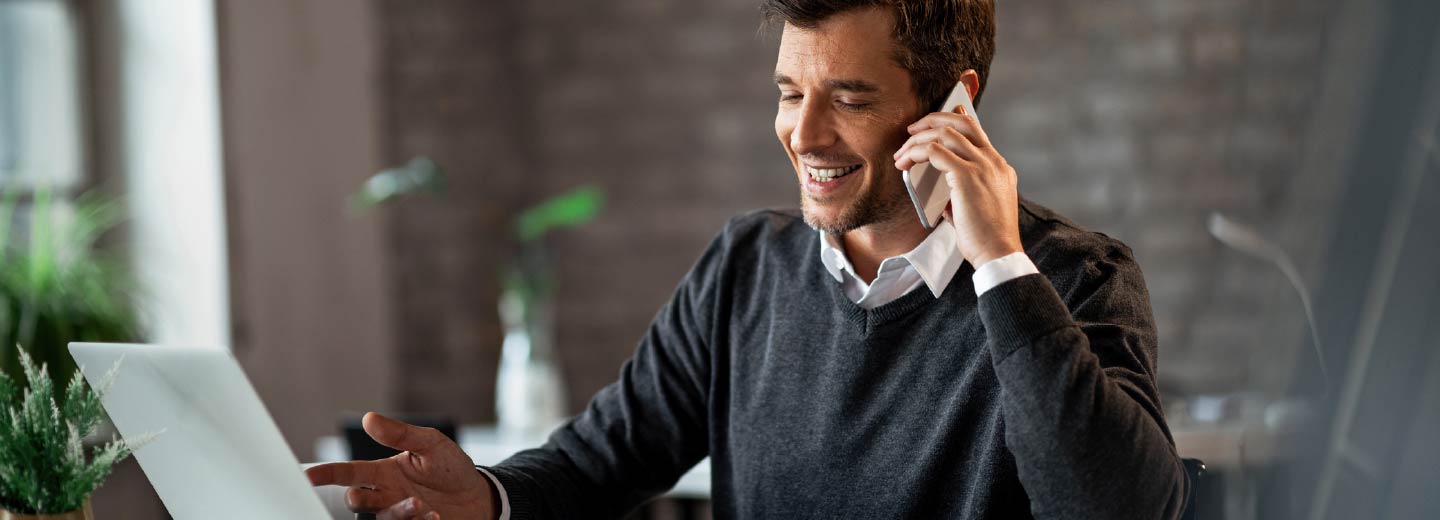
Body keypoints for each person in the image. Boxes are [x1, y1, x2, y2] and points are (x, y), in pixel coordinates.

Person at [307, 1, 1188, 518]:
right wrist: (490, 501)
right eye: (789, 92)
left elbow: (1117, 509)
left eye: (847, 98)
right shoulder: (744, 270)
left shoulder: (1071, 280)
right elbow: (598, 461)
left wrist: (997, 260)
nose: (803, 135)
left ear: (956, 104)